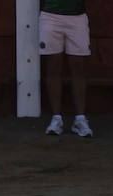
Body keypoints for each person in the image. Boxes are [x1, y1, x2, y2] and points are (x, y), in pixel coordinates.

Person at [40, 0, 94, 138]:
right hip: (50, 15)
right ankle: (56, 118)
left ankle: (80, 119)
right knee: (53, 66)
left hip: (77, 16)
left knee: (78, 67)